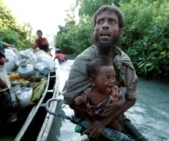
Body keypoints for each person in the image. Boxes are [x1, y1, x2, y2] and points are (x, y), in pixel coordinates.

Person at [63, 5, 147, 140]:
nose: (105, 26)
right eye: (100, 21)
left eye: (112, 21)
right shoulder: (83, 61)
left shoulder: (124, 61)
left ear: (121, 32)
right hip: (89, 117)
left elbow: (132, 98)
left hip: (115, 113)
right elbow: (71, 102)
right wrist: (97, 117)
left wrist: (106, 120)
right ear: (95, 30)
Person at [74, 58, 125, 131]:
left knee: (119, 129)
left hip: (110, 117)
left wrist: (118, 104)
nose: (112, 81)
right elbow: (79, 104)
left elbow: (123, 99)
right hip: (93, 117)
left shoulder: (115, 90)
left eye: (114, 77)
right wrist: (78, 101)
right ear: (93, 81)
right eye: (107, 78)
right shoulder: (88, 93)